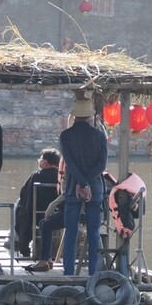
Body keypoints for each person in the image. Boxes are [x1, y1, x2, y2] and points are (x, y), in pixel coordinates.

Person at [58, 95, 108, 275]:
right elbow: (102, 165)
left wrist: (81, 183)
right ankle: (94, 273)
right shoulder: (99, 136)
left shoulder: (66, 136)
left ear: (75, 115)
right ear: (89, 116)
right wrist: (88, 183)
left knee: (71, 232)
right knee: (94, 232)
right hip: (95, 188)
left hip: (74, 187)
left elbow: (70, 164)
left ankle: (68, 273)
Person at [13, 148, 61, 257]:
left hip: (37, 215)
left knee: (18, 206)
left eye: (41, 159)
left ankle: (20, 243)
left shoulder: (37, 176)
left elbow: (24, 194)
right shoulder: (61, 177)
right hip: (58, 214)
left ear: (45, 162)